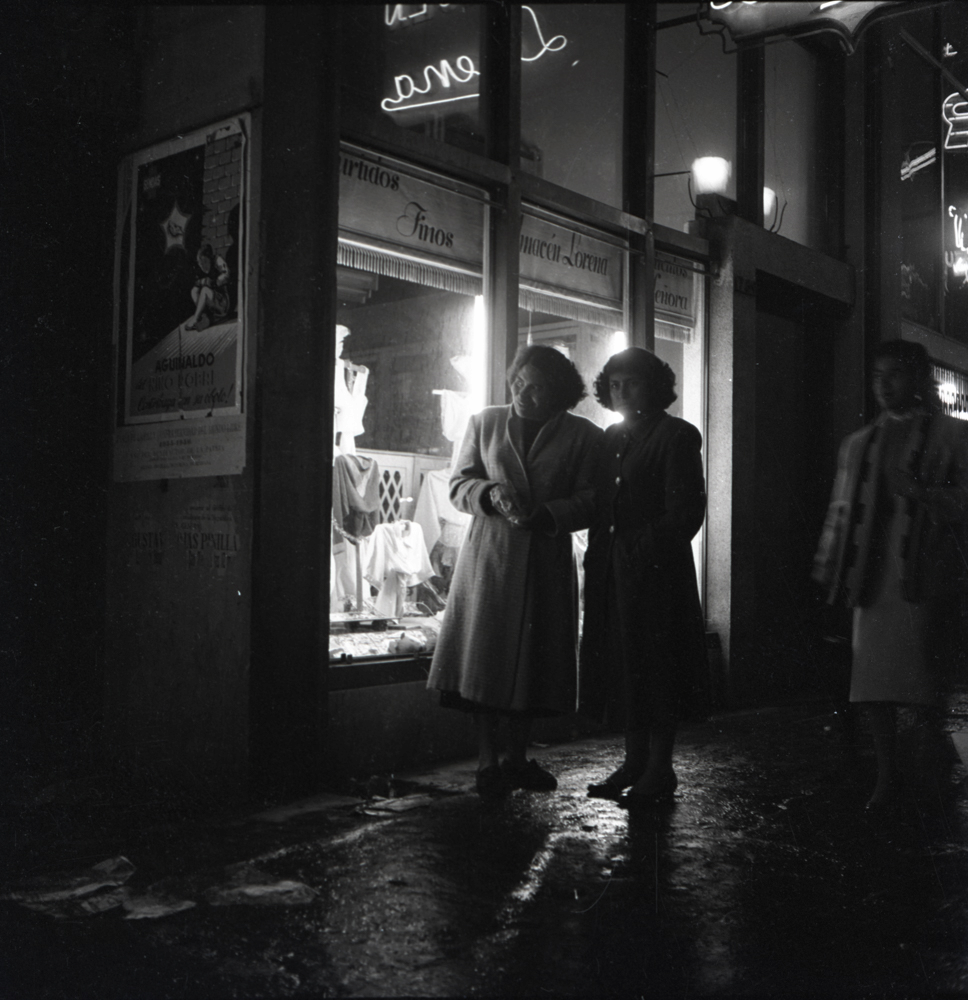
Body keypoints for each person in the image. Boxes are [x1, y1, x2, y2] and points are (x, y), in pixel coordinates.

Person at [427, 344, 603, 797]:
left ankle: (518, 758)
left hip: (545, 559)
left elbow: (593, 499)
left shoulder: (583, 435)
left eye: (537, 387)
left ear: (560, 392)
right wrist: (489, 494)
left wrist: (549, 514)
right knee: (483, 661)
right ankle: (488, 761)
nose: (524, 394)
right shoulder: (484, 422)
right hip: (490, 558)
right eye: (519, 383)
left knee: (533, 664)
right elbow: (458, 484)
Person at [813, 339, 968, 812]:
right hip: (870, 577)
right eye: (878, 375)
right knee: (873, 687)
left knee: (923, 683)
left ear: (918, 379)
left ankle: (927, 771)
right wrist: (826, 568)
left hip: (924, 575)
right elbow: (841, 512)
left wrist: (922, 493)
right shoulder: (859, 443)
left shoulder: (954, 436)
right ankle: (886, 775)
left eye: (895, 375)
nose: (883, 385)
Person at [580, 347, 707, 809]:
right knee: (624, 665)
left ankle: (660, 766)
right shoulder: (611, 438)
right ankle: (633, 760)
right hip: (612, 572)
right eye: (614, 383)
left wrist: (638, 548)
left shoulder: (676, 436)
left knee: (657, 665)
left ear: (655, 386)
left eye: (631, 382)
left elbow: (686, 514)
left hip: (657, 576)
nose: (621, 391)